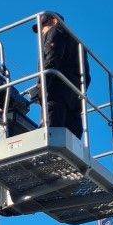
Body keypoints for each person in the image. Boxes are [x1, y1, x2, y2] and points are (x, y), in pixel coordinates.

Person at [32, 12, 90, 140]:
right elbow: (87, 77)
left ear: (54, 21)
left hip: (56, 92)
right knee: (71, 140)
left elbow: (51, 59)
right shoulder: (78, 44)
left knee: (52, 135)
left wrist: (42, 86)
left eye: (43, 26)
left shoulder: (56, 31)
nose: (41, 31)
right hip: (74, 97)